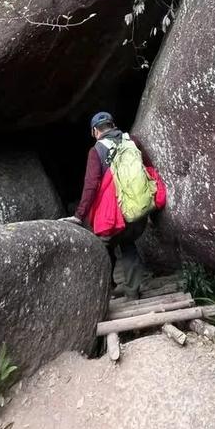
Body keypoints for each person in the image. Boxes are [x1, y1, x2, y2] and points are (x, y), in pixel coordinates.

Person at [63, 111, 153, 299]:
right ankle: (133, 292)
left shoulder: (96, 151)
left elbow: (91, 185)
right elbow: (148, 168)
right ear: (113, 125)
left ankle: (105, 292)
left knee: (103, 247)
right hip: (137, 210)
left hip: (114, 214)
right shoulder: (132, 141)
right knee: (128, 243)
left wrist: (79, 216)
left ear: (95, 131)